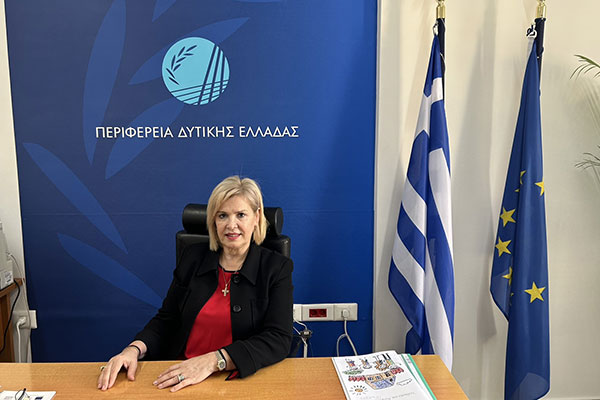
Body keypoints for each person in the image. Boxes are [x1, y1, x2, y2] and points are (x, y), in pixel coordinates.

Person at [97, 176, 294, 392]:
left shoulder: (276, 268)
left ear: (256, 217)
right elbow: (167, 319)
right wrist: (133, 350)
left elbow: (278, 338)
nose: (231, 225)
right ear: (213, 221)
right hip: (179, 375)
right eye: (222, 215)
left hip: (235, 380)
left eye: (241, 215)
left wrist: (214, 360)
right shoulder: (193, 258)